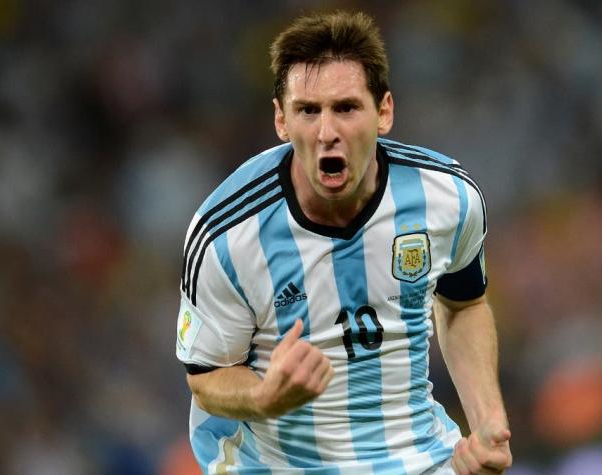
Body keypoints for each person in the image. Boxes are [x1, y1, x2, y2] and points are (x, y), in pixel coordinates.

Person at [175, 11, 511, 474]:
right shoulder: (226, 235)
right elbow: (206, 376)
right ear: (281, 120)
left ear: (384, 112)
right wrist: (263, 395)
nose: (327, 132)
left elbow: (463, 305)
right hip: (275, 465)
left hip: (418, 457)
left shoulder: (448, 198)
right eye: (308, 111)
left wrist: (488, 423)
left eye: (346, 108)